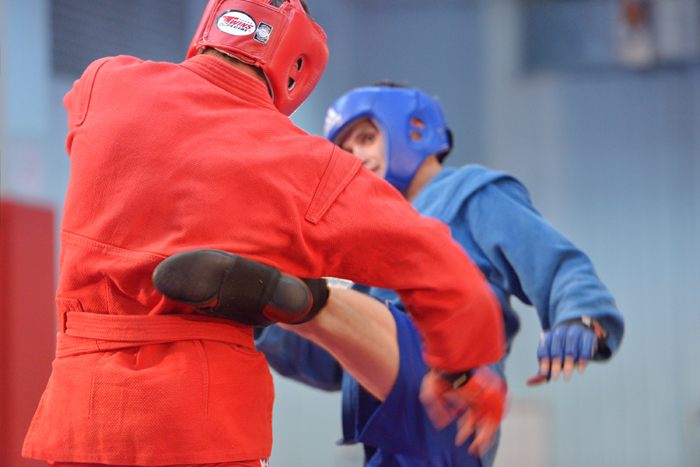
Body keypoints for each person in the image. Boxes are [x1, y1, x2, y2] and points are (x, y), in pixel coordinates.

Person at [22, 3, 507, 467]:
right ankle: (303, 298)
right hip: (200, 429)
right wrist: (464, 363)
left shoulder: (104, 82)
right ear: (300, 64)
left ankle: (298, 298)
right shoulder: (308, 167)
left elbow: (81, 123)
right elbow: (439, 265)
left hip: (81, 417)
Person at [253, 84, 625, 466]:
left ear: (415, 128)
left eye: (366, 138)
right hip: (381, 423)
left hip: (452, 404)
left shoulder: (473, 195)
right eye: (345, 150)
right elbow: (333, 362)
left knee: (313, 295)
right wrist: (260, 322)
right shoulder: (368, 234)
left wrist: (581, 316)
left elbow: (556, 263)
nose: (357, 157)